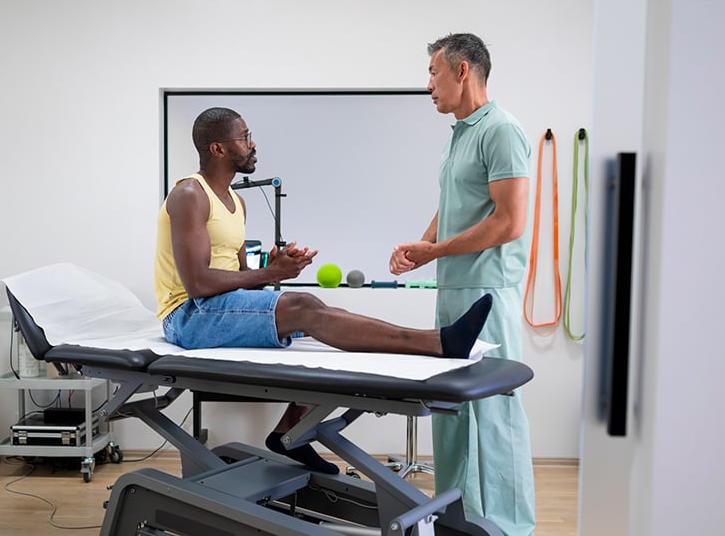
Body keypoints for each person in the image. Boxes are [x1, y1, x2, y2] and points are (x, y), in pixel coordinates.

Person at [154, 106, 494, 475]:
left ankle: (289, 434)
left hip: (215, 308)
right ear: (218, 149)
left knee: (315, 307)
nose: (253, 145)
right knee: (303, 307)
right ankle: (440, 343)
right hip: (186, 316)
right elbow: (199, 284)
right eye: (245, 137)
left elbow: (237, 276)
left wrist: (275, 268)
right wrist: (269, 272)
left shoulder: (237, 202)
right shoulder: (190, 193)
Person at [389, 33, 535, 535]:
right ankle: (456, 519)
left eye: (433, 72)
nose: (428, 83)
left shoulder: (502, 129)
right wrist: (420, 246)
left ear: (463, 71)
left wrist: (437, 251)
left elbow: (509, 222)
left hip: (488, 291)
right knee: (450, 415)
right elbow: (455, 202)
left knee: (494, 417)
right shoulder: (460, 134)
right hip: (453, 291)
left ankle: (511, 526)